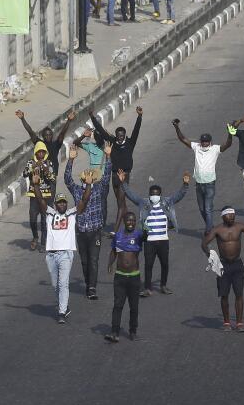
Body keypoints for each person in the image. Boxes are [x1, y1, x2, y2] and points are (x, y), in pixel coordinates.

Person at [117, 169, 190, 296]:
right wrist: (123, 183)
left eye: (156, 194)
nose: (154, 196)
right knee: (148, 265)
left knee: (165, 264)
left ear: (160, 195)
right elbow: (131, 195)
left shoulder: (166, 202)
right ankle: (147, 288)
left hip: (163, 239)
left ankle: (163, 285)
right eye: (152, 194)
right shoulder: (143, 203)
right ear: (149, 194)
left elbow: (179, 196)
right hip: (149, 241)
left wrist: (185, 184)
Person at [32, 171, 93, 323]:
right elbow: (40, 200)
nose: (62, 204)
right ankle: (64, 307)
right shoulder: (50, 214)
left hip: (66, 254)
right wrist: (36, 185)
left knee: (63, 283)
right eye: (59, 202)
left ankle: (61, 313)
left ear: (67, 204)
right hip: (51, 255)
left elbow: (84, 201)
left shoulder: (72, 214)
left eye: (64, 202)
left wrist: (89, 185)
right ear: (55, 204)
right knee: (55, 285)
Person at [201, 207, 244, 332]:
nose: (232, 217)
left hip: (237, 265)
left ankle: (240, 323)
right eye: (229, 215)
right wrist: (209, 255)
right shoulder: (217, 229)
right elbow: (204, 243)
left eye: (233, 215)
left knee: (239, 294)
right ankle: (226, 322)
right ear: (223, 216)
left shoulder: (240, 227)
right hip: (223, 265)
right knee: (224, 295)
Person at [65, 142, 113, 300]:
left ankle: (92, 287)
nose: (89, 177)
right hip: (81, 231)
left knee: (94, 260)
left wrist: (108, 156)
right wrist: (71, 160)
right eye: (87, 176)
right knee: (85, 261)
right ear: (84, 179)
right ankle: (88, 283)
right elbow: (67, 180)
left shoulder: (99, 189)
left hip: (95, 232)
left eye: (91, 176)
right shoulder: (77, 190)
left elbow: (106, 176)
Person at [172, 118, 233, 233]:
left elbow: (228, 145)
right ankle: (211, 226)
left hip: (210, 184)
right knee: (201, 209)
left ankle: (209, 231)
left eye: (206, 141)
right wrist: (176, 127)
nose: (204, 143)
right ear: (201, 141)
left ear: (210, 142)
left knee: (208, 208)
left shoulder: (215, 149)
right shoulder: (197, 147)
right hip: (199, 184)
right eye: (203, 141)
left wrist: (230, 134)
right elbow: (182, 139)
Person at [89, 107, 142, 232]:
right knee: (120, 203)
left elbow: (136, 130)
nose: (119, 138)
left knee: (121, 201)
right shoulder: (112, 141)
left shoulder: (130, 142)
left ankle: (116, 230)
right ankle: (130, 226)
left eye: (121, 136)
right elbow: (101, 131)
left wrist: (139, 117)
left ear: (124, 135)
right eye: (118, 136)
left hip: (124, 176)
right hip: (114, 176)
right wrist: (92, 117)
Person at [104, 212, 147, 342]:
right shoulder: (117, 236)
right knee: (118, 305)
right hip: (120, 277)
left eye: (133, 221)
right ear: (124, 221)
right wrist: (110, 263)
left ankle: (133, 331)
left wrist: (146, 230)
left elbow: (145, 237)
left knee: (134, 307)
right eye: (128, 220)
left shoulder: (139, 234)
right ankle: (114, 332)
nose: (131, 223)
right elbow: (113, 252)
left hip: (134, 277)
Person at [15, 109, 76, 181]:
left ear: (52, 135)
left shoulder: (56, 144)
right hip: (41, 174)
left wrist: (69, 120)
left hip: (52, 173)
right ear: (43, 136)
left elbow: (62, 133)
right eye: (46, 135)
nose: (48, 136)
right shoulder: (40, 144)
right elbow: (30, 132)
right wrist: (22, 119)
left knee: (52, 191)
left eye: (50, 135)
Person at [22, 140, 57, 251]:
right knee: (32, 218)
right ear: (36, 153)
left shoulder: (49, 163)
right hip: (34, 194)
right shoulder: (31, 162)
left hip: (46, 195)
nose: (41, 154)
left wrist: (46, 170)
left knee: (44, 220)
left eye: (43, 152)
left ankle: (43, 243)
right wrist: (34, 167)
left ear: (45, 153)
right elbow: (24, 174)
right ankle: (35, 237)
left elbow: (53, 178)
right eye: (39, 152)